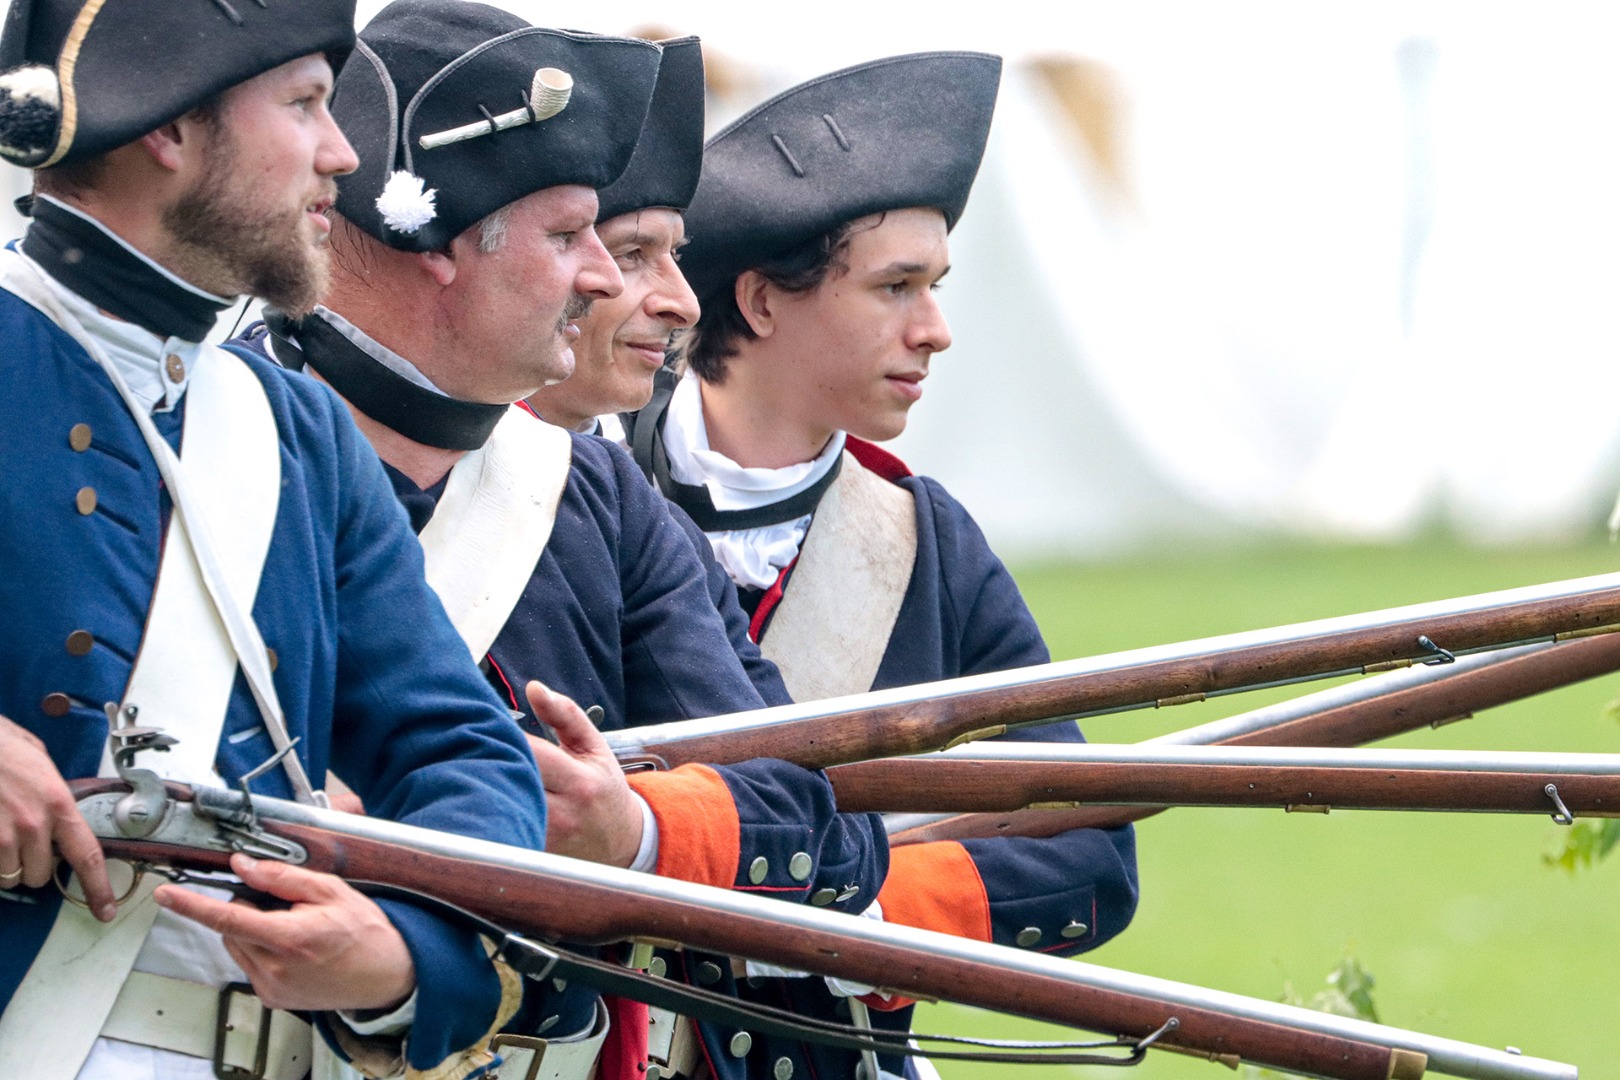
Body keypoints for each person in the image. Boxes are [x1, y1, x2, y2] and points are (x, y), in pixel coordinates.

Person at [232, 6, 885, 1075]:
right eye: (577, 237)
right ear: (440, 237)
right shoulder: (204, 431)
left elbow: (817, 820)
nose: (605, 282)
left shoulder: (593, 495)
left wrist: (628, 832)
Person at [0, 2, 550, 1080]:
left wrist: (406, 951)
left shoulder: (292, 431)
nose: (342, 153)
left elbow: (460, 750)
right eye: (304, 106)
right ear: (171, 129)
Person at [624, 52, 1141, 1079]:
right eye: (895, 288)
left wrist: (860, 914)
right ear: (764, 303)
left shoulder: (923, 542)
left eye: (934, 287)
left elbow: (1086, 852)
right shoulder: (584, 493)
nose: (934, 330)